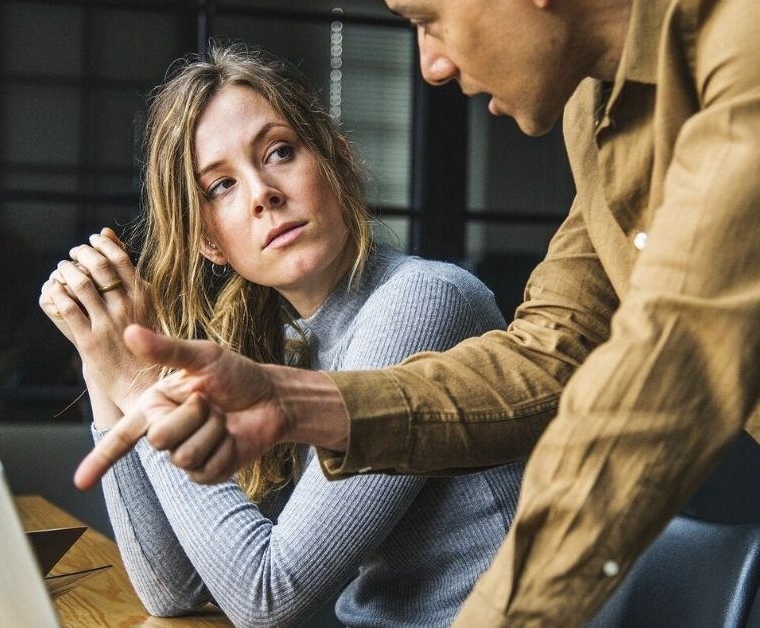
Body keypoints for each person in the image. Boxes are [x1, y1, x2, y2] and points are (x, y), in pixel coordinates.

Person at [77, 0, 760, 625]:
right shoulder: (599, 113)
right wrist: (287, 399)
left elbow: (674, 362)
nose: (431, 65)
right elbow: (550, 353)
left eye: (426, 20)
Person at [43, 42, 523, 627]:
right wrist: (102, 359)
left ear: (338, 162)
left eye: (279, 152)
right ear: (208, 242)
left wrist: (139, 379)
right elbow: (174, 590)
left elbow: (266, 598)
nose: (261, 193)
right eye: (220, 186)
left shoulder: (423, 302)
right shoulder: (288, 343)